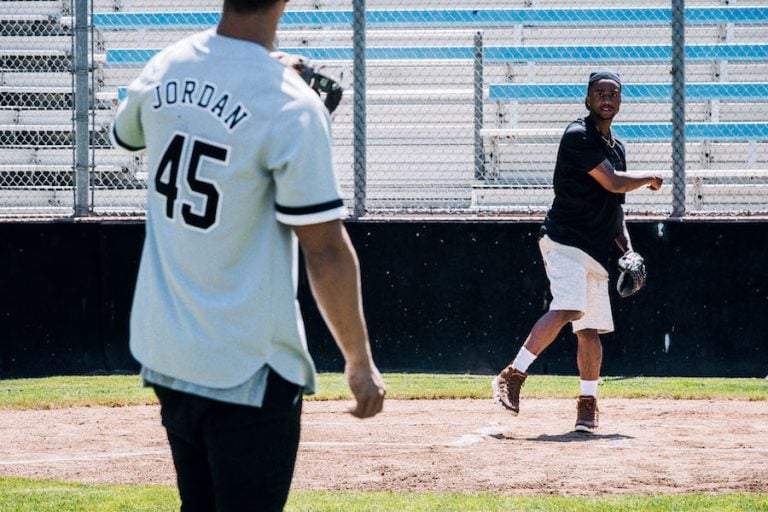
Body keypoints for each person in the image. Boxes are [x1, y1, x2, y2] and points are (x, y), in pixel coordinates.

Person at [109, 0, 386, 510]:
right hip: (247, 363)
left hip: (169, 352)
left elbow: (124, 135)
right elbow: (324, 251)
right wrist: (359, 363)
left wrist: (244, 76)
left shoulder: (167, 63)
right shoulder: (291, 104)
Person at [492, 70, 663, 432]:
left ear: (620, 102)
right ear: (587, 99)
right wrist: (649, 177)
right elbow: (614, 182)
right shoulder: (577, 135)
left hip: (596, 250)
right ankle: (513, 373)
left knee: (590, 330)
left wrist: (628, 251)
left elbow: (615, 207)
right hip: (564, 239)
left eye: (613, 94)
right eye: (600, 93)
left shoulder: (617, 148)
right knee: (570, 307)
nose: (607, 99)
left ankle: (587, 406)